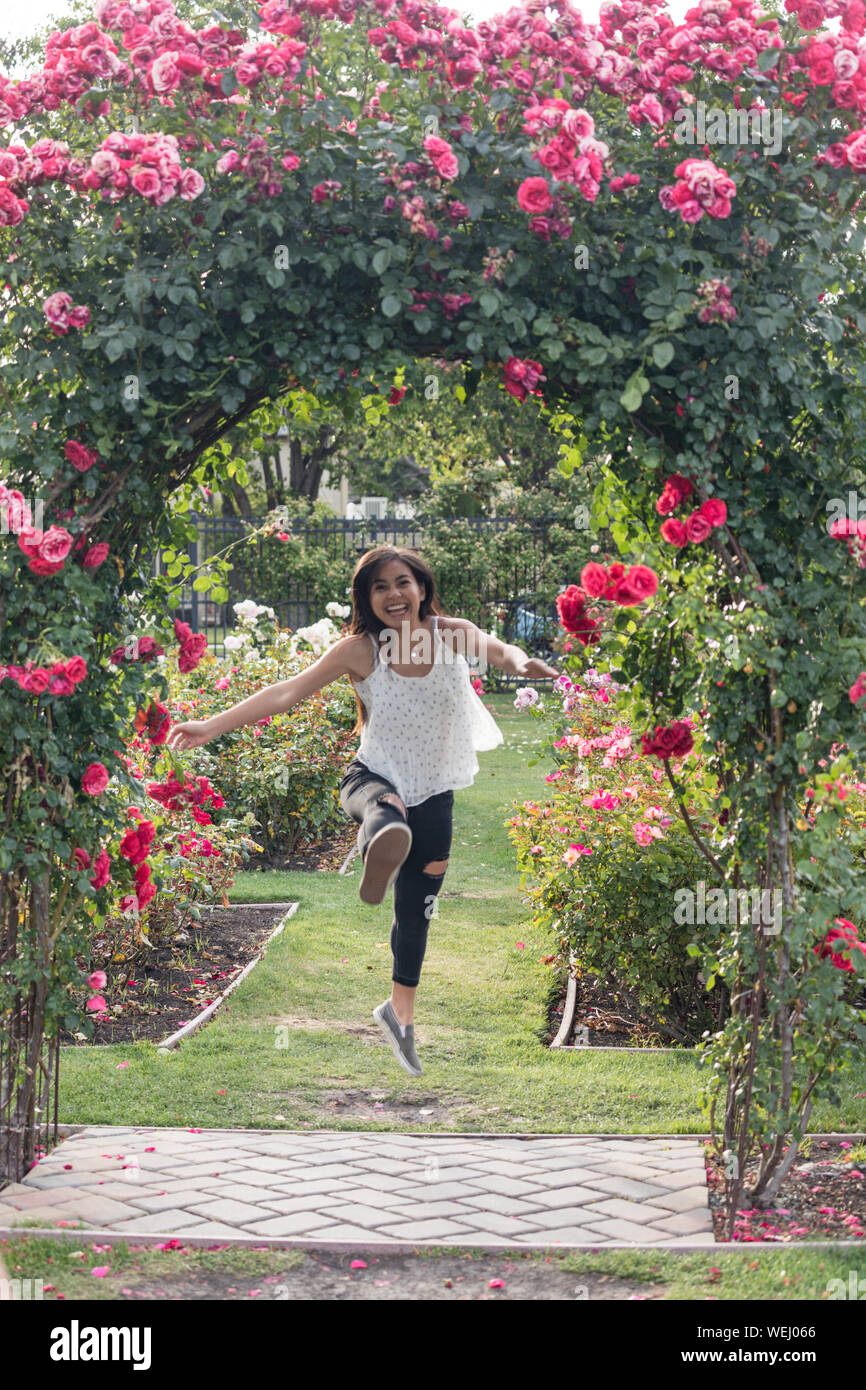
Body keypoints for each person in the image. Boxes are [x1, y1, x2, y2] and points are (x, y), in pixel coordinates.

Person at [166, 546, 558, 1076]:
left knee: (417, 910)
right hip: (371, 780)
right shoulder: (360, 650)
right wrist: (208, 726)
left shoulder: (452, 633)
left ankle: (400, 1016)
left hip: (436, 793)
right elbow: (286, 693)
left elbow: (499, 650)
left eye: (402, 582)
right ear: (367, 598)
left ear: (421, 586)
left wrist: (521, 662)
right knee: (389, 813)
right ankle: (379, 843)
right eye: (379, 587)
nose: (393, 595)